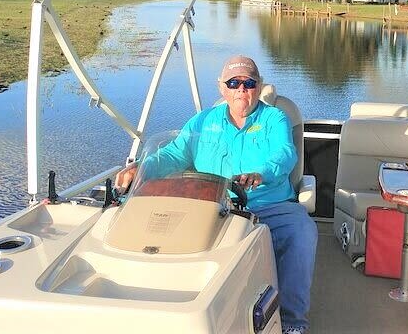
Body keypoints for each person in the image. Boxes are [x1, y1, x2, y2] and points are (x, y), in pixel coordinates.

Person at [115, 55, 317, 334]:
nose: (241, 90)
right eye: (234, 83)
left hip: (270, 203)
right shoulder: (201, 122)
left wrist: (261, 173)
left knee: (302, 232)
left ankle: (293, 322)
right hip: (212, 206)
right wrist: (140, 168)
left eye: (248, 83)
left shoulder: (275, 118)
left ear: (258, 87)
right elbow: (174, 154)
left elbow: (284, 154)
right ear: (222, 88)